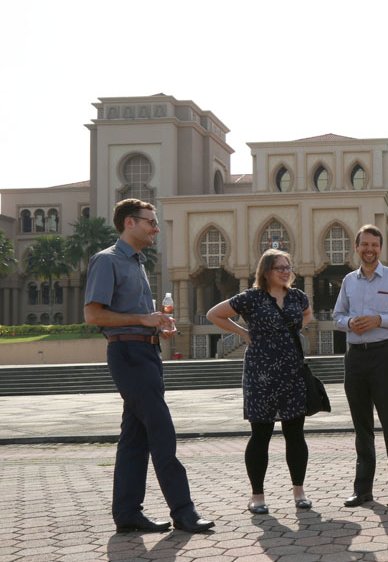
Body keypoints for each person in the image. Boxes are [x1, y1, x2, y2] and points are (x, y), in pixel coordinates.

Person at [85, 198, 215, 533]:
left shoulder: (138, 263)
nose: (156, 228)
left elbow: (136, 316)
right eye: (150, 222)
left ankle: (127, 513)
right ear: (130, 222)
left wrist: (157, 324)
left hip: (147, 353)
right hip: (127, 354)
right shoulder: (107, 261)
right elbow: (93, 314)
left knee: (135, 436)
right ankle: (183, 511)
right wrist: (144, 318)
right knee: (161, 429)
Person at [206, 249, 314, 515]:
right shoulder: (251, 298)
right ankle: (257, 495)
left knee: (295, 432)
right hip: (260, 372)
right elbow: (214, 314)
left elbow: (308, 314)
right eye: (280, 268)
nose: (286, 271)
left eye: (288, 267)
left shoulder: (297, 296)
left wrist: (296, 329)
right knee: (261, 434)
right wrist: (243, 332)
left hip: (291, 369)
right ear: (265, 272)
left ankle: (299, 491)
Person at [333, 225, 388, 508]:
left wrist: (380, 320)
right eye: (364, 245)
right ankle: (363, 489)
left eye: (375, 245)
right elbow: (337, 316)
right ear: (356, 248)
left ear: (380, 249)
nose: (370, 250)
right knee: (361, 426)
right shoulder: (348, 281)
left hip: (384, 356)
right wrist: (349, 323)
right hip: (355, 357)